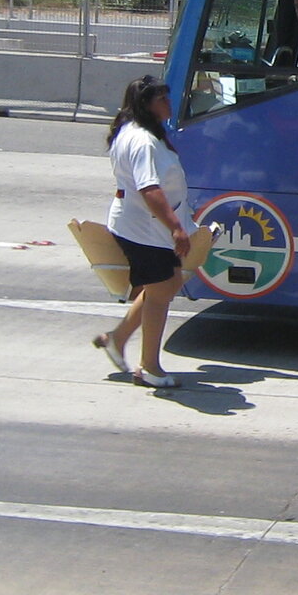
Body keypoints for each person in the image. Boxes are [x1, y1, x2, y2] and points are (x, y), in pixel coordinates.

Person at [94, 74, 193, 390]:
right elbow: (149, 188)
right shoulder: (142, 141)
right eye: (162, 99)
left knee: (165, 285)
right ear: (146, 105)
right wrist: (176, 228)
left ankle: (117, 339)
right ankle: (149, 366)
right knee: (163, 289)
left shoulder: (138, 132)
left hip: (144, 225)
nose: (169, 103)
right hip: (145, 229)